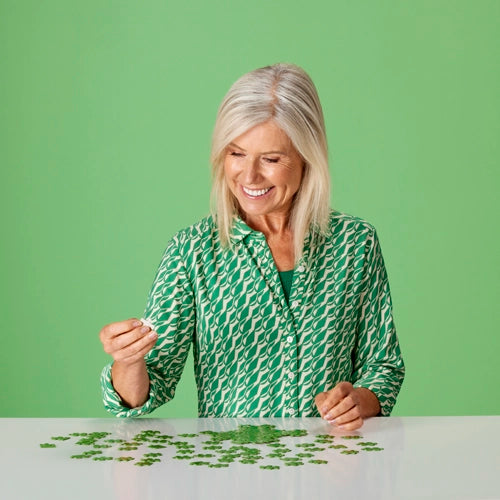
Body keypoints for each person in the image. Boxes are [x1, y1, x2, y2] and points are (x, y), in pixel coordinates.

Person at [99, 63, 404, 430]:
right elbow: (141, 395)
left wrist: (360, 400)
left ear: (307, 158)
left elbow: (382, 367)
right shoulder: (192, 252)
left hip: (333, 471)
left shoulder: (355, 244)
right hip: (229, 474)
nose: (249, 176)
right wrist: (128, 360)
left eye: (271, 159)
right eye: (236, 154)